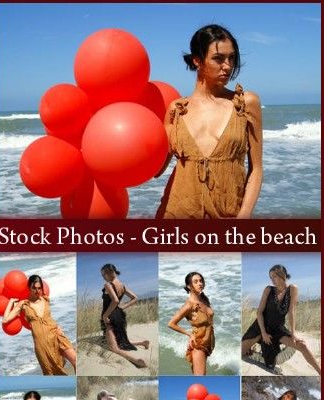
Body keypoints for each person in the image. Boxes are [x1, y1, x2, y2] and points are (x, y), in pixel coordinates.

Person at [155, 24, 262, 219]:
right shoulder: (176, 110)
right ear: (198, 60)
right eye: (218, 58)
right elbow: (156, 170)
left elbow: (256, 169)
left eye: (231, 58)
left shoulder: (246, 103)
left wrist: (244, 215)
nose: (228, 66)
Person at [242, 265, 321, 374]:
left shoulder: (293, 289)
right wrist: (264, 333)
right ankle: (255, 346)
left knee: (303, 346)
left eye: (274, 276)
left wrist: (293, 333)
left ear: (282, 275)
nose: (272, 280)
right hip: (260, 328)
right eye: (271, 277)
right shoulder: (268, 290)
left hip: (278, 329)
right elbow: (259, 312)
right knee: (241, 352)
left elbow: (292, 311)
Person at [2, 275, 76, 375]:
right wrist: (10, 302)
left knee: (75, 360)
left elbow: (49, 318)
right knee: (51, 372)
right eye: (34, 288)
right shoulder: (23, 304)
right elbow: (5, 320)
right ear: (29, 288)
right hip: (42, 344)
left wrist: (58, 327)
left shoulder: (45, 299)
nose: (37, 291)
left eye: (39, 288)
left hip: (56, 335)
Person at [100, 263, 150, 369]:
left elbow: (115, 300)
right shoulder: (122, 286)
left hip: (110, 316)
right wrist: (122, 308)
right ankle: (143, 343)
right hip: (119, 314)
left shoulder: (108, 285)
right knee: (121, 340)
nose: (103, 277)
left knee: (114, 348)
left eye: (103, 274)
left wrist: (105, 316)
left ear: (109, 273)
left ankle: (137, 361)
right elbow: (135, 298)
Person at [168, 272, 214, 375]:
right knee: (200, 376)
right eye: (196, 281)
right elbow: (171, 323)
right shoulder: (189, 305)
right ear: (189, 286)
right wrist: (189, 334)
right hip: (198, 342)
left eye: (201, 280)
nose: (200, 283)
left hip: (207, 341)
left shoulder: (204, 299)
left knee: (200, 374)